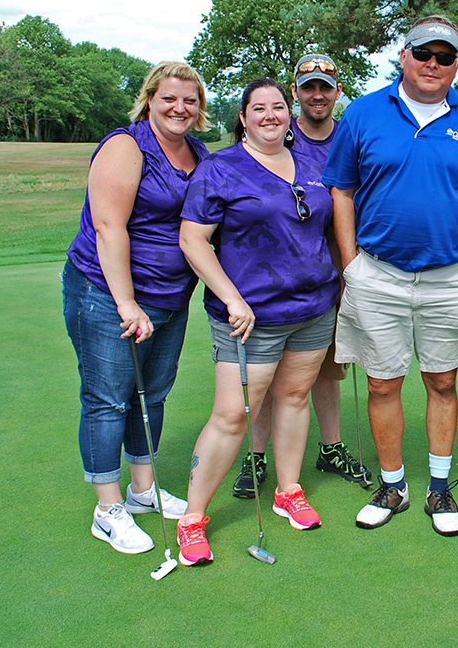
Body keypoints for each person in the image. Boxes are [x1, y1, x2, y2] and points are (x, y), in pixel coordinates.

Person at [324, 15, 458, 536]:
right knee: (382, 384)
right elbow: (342, 191)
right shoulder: (363, 113)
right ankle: (393, 485)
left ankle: (439, 487)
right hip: (377, 273)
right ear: (404, 55)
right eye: (424, 53)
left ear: (455, 65)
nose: (432, 64)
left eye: (445, 57)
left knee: (442, 381)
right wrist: (351, 264)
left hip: (450, 276)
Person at [175, 78, 340, 565]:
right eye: (259, 108)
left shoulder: (313, 165)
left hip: (312, 311)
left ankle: (289, 491)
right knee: (232, 416)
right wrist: (231, 299)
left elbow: (326, 229)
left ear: (289, 115)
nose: (271, 115)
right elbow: (193, 240)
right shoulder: (220, 168)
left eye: (279, 107)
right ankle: (193, 519)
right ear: (243, 118)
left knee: (293, 398)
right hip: (249, 317)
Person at [63, 61, 210, 554]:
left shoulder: (199, 152)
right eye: (169, 98)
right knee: (108, 398)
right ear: (150, 99)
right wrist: (126, 302)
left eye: (189, 100)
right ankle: (107, 511)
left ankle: (142, 490)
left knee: (153, 395)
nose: (179, 108)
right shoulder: (127, 146)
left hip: (171, 297)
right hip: (107, 294)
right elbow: (109, 228)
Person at [230, 53, 371, 499]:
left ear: (337, 92)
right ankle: (256, 458)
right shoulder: (276, 139)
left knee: (327, 370)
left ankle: (330, 448)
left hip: (336, 274)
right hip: (272, 283)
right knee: (270, 376)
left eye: (324, 87)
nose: (316, 94)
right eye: (308, 86)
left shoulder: (350, 138)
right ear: (295, 93)